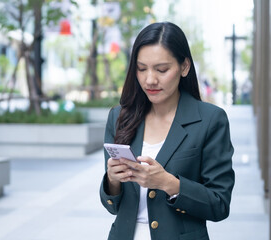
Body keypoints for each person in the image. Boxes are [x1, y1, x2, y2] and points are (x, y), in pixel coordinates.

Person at [99, 22, 235, 240]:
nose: (150, 79)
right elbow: (113, 207)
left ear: (184, 67)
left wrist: (168, 183)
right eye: (141, 69)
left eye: (162, 70)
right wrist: (113, 180)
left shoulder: (210, 120)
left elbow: (219, 204)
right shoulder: (119, 117)